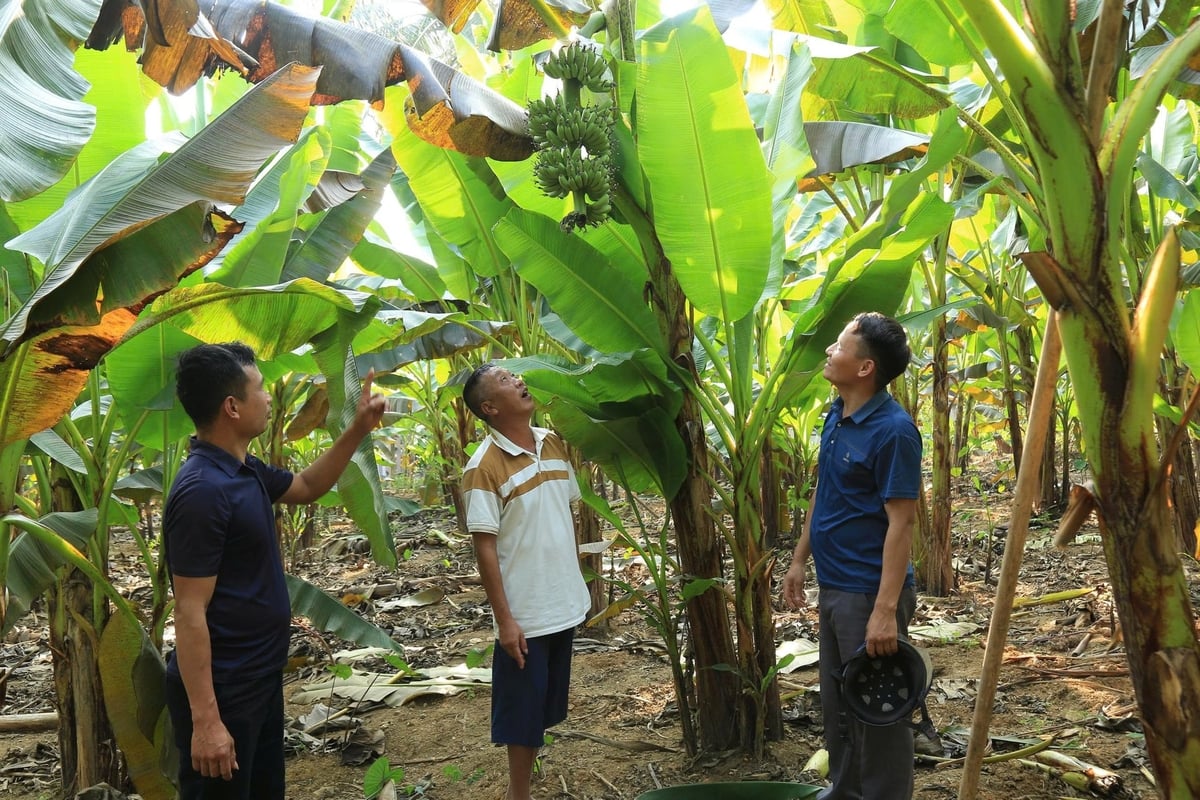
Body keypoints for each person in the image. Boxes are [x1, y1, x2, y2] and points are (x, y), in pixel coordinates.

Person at [163, 342, 385, 800]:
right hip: (224, 689)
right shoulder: (203, 489)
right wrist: (206, 721)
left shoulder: (242, 470)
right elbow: (189, 612)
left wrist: (358, 428)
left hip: (258, 677)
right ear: (231, 406)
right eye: (259, 389)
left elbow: (306, 486)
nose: (268, 399)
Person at [782, 312, 924, 800]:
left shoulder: (894, 431)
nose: (828, 351)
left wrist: (885, 611)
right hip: (835, 585)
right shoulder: (836, 416)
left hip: (868, 590)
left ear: (865, 367)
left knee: (878, 709)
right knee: (839, 703)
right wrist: (801, 558)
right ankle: (844, 792)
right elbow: (826, 490)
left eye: (839, 345)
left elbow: (902, 523)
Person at [460, 364, 590, 800]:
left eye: (515, 375)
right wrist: (505, 620)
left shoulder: (551, 443)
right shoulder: (483, 467)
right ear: (490, 407)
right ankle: (519, 794)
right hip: (525, 612)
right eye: (503, 379)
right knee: (522, 711)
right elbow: (485, 546)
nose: (518, 379)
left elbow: (564, 510)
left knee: (543, 705)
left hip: (562, 599)